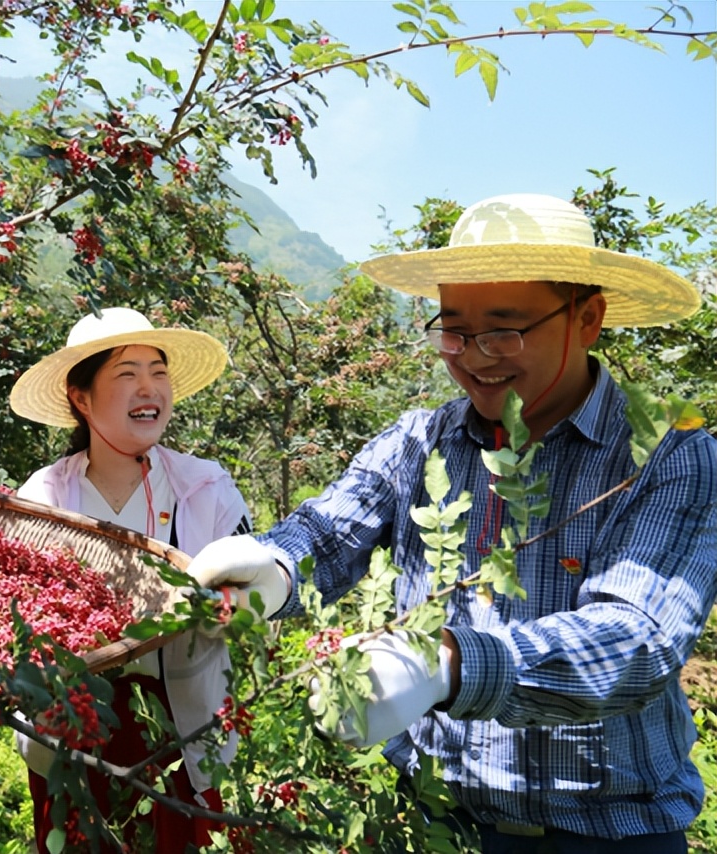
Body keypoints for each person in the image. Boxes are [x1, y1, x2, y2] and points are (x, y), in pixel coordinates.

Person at [185, 193, 717, 853]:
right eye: (453, 330)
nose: (473, 355)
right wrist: (278, 566)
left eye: (504, 329)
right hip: (432, 823)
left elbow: (638, 642)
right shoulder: (421, 442)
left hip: (603, 834)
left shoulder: (667, 454)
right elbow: (333, 527)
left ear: (587, 318)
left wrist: (449, 667)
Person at [8, 306, 254, 853]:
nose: (149, 389)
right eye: (126, 374)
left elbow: (252, 595)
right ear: (81, 397)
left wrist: (233, 607)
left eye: (157, 372)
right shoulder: (44, 498)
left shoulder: (206, 488)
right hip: (75, 729)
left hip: (184, 733)